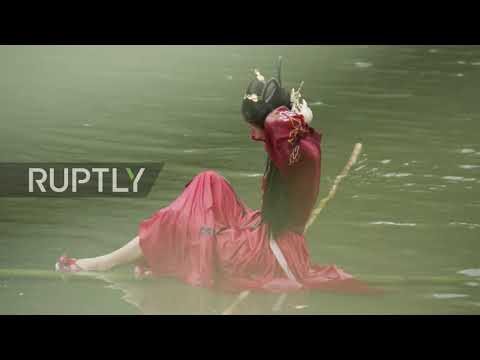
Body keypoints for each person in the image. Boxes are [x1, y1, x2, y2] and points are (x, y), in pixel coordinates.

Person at [56, 59, 363, 293]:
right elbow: (277, 129)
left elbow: (278, 127)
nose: (253, 134)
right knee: (208, 182)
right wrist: (298, 118)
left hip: (271, 253)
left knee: (185, 224)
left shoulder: (295, 148)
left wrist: (299, 116)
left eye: (253, 126)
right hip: (264, 231)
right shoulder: (295, 142)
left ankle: (105, 264)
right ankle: (148, 255)